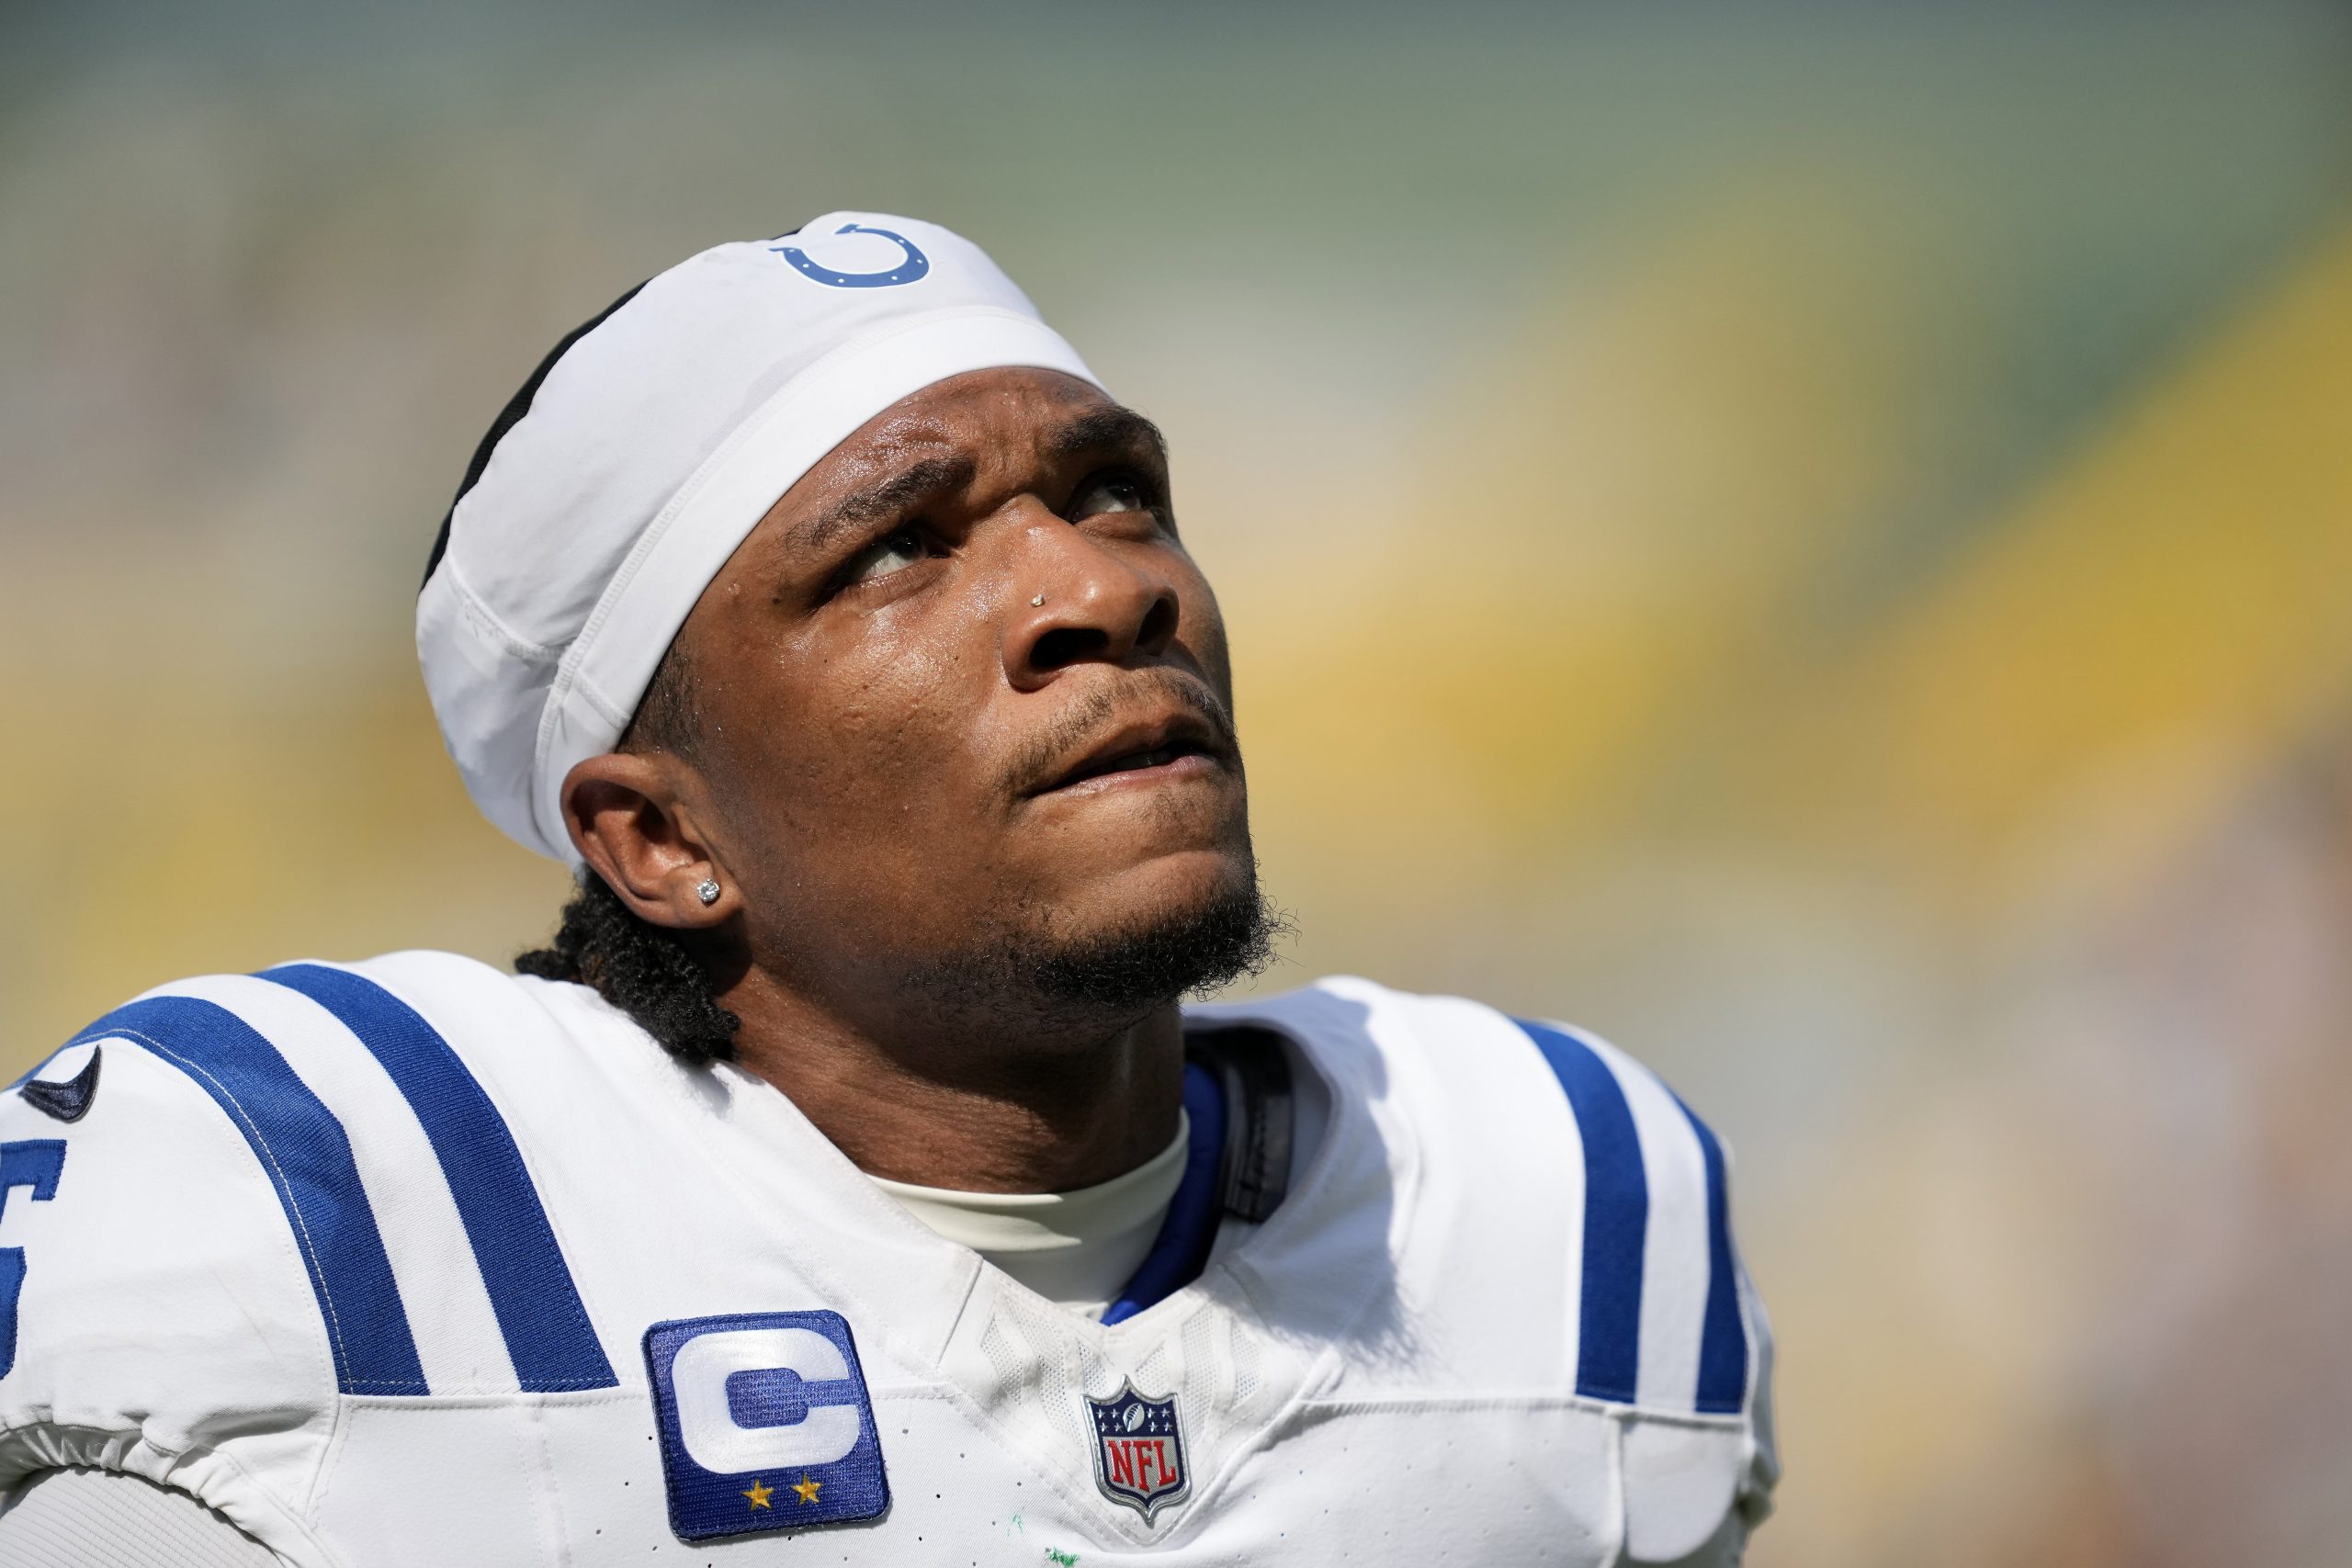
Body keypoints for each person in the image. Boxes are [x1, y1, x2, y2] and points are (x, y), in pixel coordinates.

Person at [0, 215, 1776, 1565]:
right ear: (659, 841)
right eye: (901, 548)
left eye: (1116, 494)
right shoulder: (311, 1190)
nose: (1097, 588)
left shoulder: (1565, 1200)